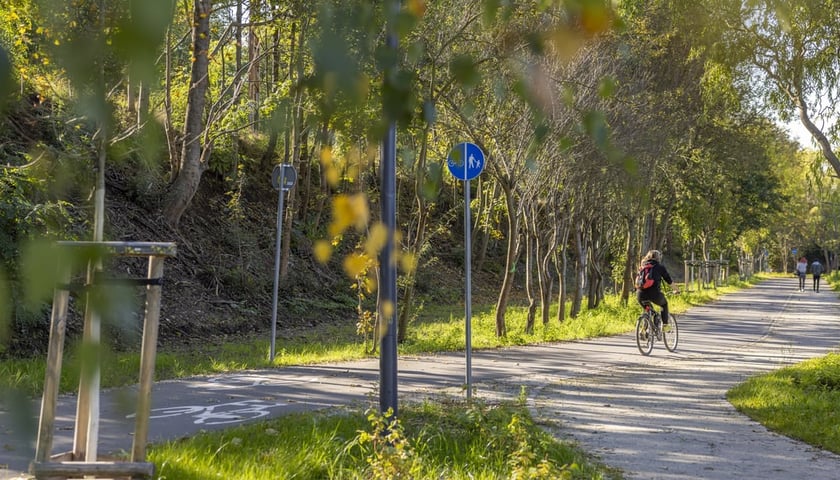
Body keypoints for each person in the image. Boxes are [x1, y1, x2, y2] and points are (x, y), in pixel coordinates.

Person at [636, 250, 680, 326]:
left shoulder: (643, 266)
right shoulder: (660, 267)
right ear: (658, 258)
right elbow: (669, 281)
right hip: (654, 294)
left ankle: (644, 330)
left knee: (649, 310)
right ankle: (665, 326)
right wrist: (677, 290)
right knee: (664, 304)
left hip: (640, 294)